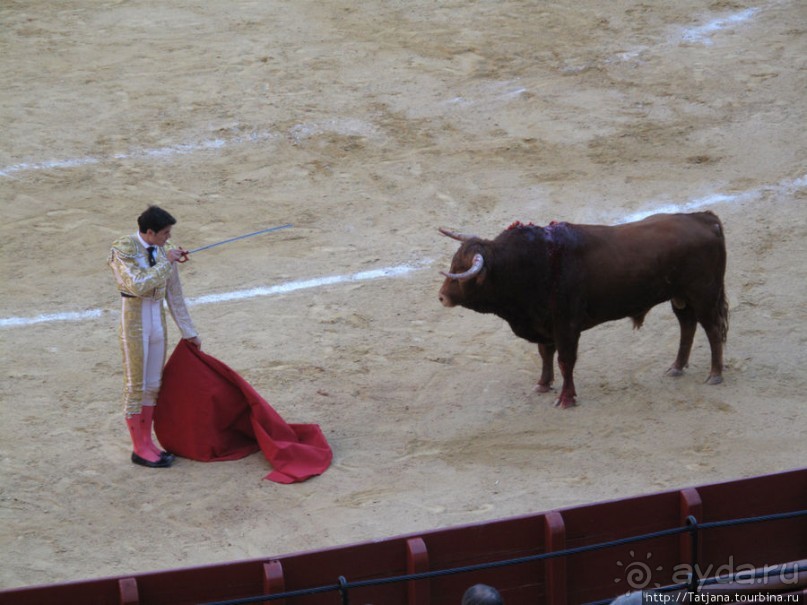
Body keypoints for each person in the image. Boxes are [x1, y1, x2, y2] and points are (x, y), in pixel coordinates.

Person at [108, 205, 201, 468]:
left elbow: (174, 294)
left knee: (152, 385)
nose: (168, 238)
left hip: (157, 323)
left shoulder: (163, 250)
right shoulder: (122, 249)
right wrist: (166, 262)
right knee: (135, 386)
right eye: (165, 233)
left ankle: (148, 443)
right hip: (134, 324)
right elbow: (137, 285)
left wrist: (189, 332)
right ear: (149, 232)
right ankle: (139, 448)